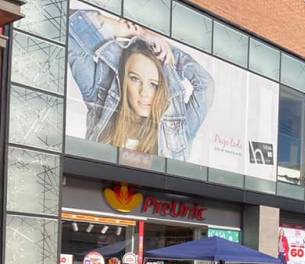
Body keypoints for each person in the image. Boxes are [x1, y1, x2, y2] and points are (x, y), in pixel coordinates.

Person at [68, 9, 213, 158]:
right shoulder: (100, 97)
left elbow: (205, 84)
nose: (144, 92)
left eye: (153, 84)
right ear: (123, 80)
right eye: (135, 79)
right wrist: (136, 34)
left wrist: (167, 52)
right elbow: (64, 20)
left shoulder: (178, 128)